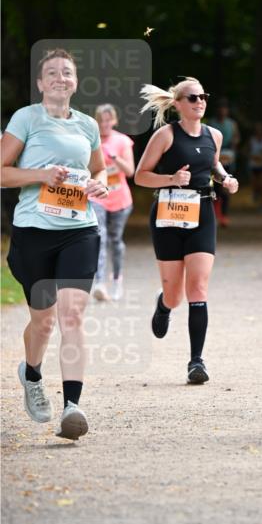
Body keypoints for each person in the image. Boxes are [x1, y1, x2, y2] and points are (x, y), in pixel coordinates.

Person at [0, 49, 109, 440]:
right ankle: (31, 374)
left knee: (72, 316)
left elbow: (99, 168)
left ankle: (72, 407)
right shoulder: (27, 118)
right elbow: (2, 172)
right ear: (41, 83)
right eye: (52, 73)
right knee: (43, 322)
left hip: (79, 228)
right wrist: (42, 174)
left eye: (67, 72)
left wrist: (102, 182)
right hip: (33, 231)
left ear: (75, 82)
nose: (60, 78)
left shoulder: (87, 125)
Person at [135, 76, 238, 384]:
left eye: (203, 96)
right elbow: (140, 176)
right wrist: (171, 180)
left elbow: (213, 165)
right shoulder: (165, 136)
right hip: (167, 214)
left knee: (198, 288)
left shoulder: (214, 135)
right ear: (178, 104)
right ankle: (164, 304)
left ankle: (196, 361)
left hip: (202, 213)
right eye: (192, 97)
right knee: (175, 294)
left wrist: (226, 178)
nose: (200, 101)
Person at [90, 103, 135, 301]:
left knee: (115, 241)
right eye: (100, 121)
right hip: (97, 197)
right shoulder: (91, 141)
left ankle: (117, 280)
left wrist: (114, 156)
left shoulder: (122, 141)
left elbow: (130, 171)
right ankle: (99, 283)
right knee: (100, 237)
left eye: (108, 120)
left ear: (114, 121)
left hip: (120, 199)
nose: (104, 124)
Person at [207, 98, 240, 227]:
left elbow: (237, 137)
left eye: (224, 109)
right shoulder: (211, 123)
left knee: (226, 187)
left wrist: (234, 144)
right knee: (215, 188)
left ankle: (224, 215)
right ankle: (216, 213)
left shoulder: (232, 124)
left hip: (229, 156)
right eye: (220, 109)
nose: (222, 111)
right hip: (215, 156)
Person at [247, 122, 262, 212]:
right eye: (257, 129)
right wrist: (251, 156)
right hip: (253, 165)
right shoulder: (251, 140)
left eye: (260, 129)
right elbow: (245, 151)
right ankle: (255, 193)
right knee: (255, 184)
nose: (258, 131)